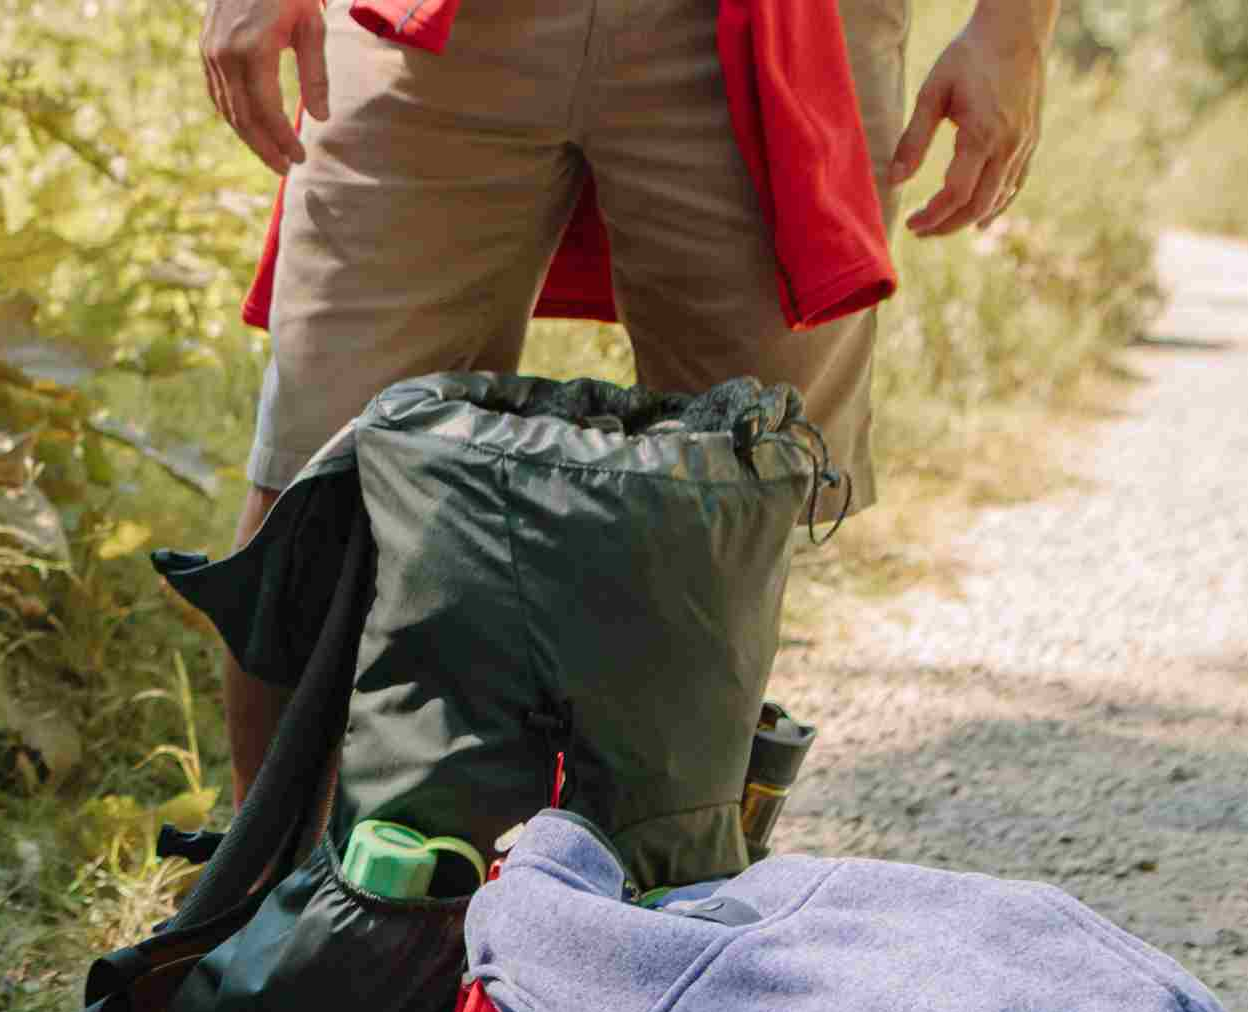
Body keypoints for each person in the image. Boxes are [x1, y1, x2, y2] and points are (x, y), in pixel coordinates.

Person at [201, 0, 1058, 805]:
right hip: (431, 27)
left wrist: (1012, 30)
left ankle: (639, 926)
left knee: (732, 499)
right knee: (324, 481)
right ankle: (258, 930)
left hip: (779, 28)